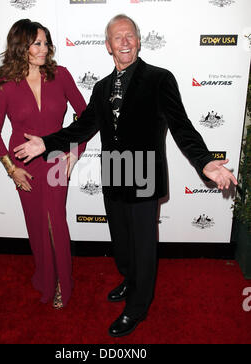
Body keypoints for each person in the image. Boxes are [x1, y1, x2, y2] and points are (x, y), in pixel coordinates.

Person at [13, 15, 238, 336]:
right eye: (118, 37)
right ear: (108, 46)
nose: (125, 42)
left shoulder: (160, 79)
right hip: (114, 173)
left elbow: (182, 126)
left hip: (145, 173)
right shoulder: (103, 87)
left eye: (130, 36)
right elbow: (83, 126)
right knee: (122, 243)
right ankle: (130, 279)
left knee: (144, 246)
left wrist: (204, 162)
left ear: (138, 41)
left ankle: (138, 306)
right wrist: (46, 143)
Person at [0, 19, 86, 308]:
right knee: (37, 226)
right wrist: (11, 169)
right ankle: (45, 275)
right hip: (24, 166)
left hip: (55, 161)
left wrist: (74, 151)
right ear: (21, 46)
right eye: (37, 43)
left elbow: (85, 115)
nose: (44, 49)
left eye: (46, 42)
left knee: (55, 221)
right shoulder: (5, 85)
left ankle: (62, 284)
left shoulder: (62, 76)